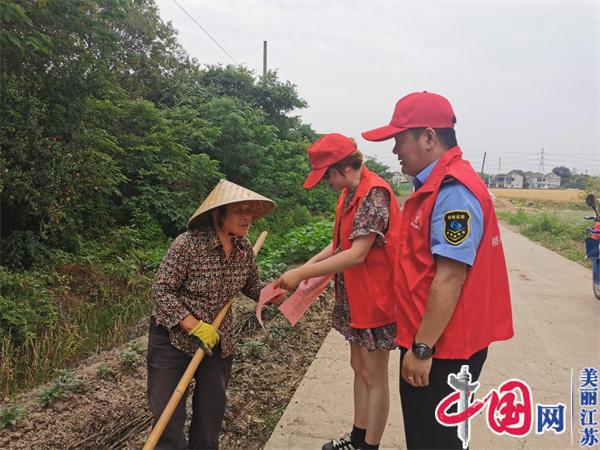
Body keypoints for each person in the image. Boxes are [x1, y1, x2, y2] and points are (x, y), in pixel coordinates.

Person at [362, 91, 514, 449]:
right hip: (435, 342)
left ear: (429, 138)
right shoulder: (436, 187)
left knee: (433, 441)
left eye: (400, 140)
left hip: (442, 350)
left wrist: (423, 350)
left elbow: (450, 278)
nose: (395, 150)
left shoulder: (452, 192)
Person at [275, 133, 403, 450]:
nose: (325, 183)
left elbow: (357, 253)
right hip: (354, 300)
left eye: (326, 176)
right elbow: (338, 244)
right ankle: (358, 436)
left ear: (343, 167)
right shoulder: (350, 193)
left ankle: (369, 445)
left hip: (375, 302)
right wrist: (306, 267)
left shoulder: (373, 194)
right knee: (359, 369)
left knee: (374, 376)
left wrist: (302, 273)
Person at [147, 179, 275, 449]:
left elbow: (254, 289)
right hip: (172, 340)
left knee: (210, 417)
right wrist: (193, 326)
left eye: (249, 210)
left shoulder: (244, 250)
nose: (247, 216)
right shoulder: (188, 245)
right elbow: (161, 290)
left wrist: (280, 289)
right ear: (219, 214)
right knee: (167, 419)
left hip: (217, 340)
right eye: (240, 210)